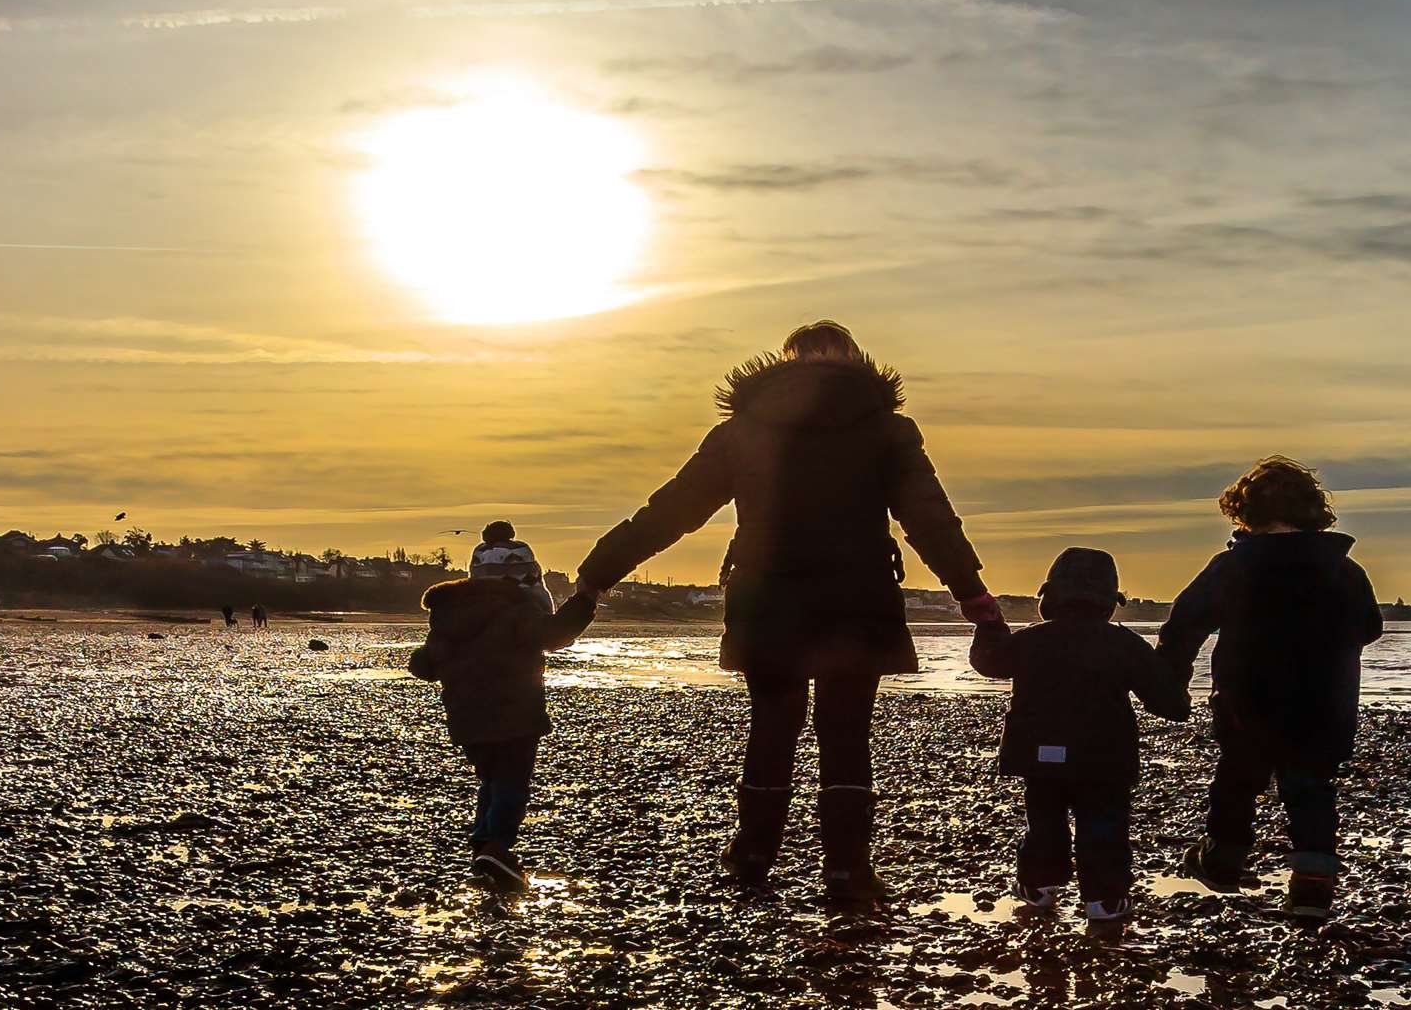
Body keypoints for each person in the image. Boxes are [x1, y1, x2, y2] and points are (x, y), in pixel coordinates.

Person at [573, 320, 998, 899]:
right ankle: (847, 869)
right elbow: (929, 518)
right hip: (857, 598)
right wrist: (973, 598)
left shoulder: (743, 432)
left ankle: (752, 856)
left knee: (773, 726)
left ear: (785, 363)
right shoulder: (886, 431)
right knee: (846, 732)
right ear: (853, 361)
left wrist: (598, 576)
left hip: (768, 598)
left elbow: (672, 510)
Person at [1158, 456, 1384, 921]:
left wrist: (1170, 686)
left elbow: (1183, 626)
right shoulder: (1345, 571)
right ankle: (1313, 885)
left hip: (1248, 697)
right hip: (1324, 701)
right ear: (1312, 510)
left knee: (1239, 776)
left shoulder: (1232, 568)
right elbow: (1370, 627)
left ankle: (1223, 859)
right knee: (1312, 786)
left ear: (1245, 513)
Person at [970, 548, 1190, 922]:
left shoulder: (1032, 639)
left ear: (1049, 597)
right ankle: (1104, 899)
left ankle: (1039, 886)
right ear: (1110, 601)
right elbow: (1171, 705)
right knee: (1104, 822)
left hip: (1038, 753)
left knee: (1044, 819)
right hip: (1104, 755)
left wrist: (990, 626)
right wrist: (1173, 668)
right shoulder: (1122, 643)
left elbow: (989, 663)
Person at [408, 533, 596, 891]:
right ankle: (498, 845)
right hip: (515, 715)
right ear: (528, 578)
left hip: (466, 720)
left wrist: (438, 662)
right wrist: (584, 600)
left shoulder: (448, 615)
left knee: (491, 778)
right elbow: (554, 634)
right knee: (511, 783)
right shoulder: (518, 610)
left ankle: (483, 841)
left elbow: (424, 665)